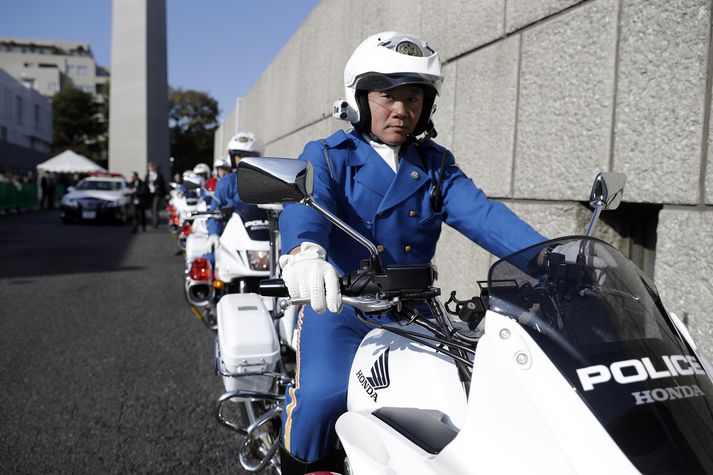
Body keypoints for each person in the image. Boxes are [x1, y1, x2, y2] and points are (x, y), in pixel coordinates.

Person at [276, 31, 548, 473]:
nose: (402, 110)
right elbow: (307, 207)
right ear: (360, 97)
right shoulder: (329, 156)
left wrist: (546, 257)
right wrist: (305, 253)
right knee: (323, 395)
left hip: (417, 313)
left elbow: (482, 215)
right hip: (342, 308)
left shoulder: (435, 164)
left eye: (414, 98)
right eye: (388, 96)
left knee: (461, 398)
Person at [205, 132, 265, 254]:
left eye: (249, 155)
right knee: (208, 261)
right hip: (231, 236)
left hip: (264, 236)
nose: (243, 160)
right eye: (239, 156)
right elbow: (213, 211)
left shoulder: (268, 181)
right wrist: (214, 233)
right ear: (233, 159)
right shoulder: (226, 182)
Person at [145, 162, 166, 228]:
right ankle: (154, 220)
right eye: (150, 167)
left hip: (157, 194)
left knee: (155, 207)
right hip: (150, 194)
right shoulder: (147, 176)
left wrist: (161, 192)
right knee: (151, 209)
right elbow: (145, 184)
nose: (151, 168)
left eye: (152, 166)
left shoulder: (159, 175)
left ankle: (155, 222)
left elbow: (163, 185)